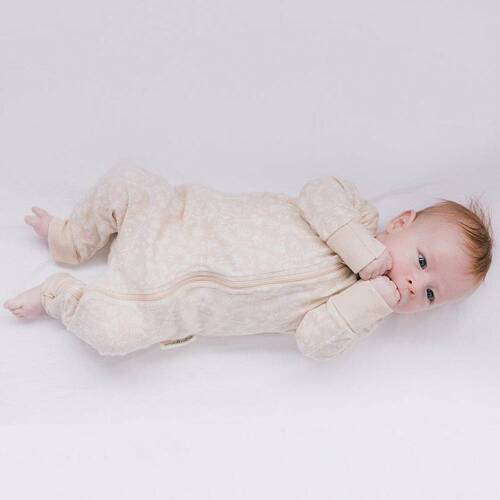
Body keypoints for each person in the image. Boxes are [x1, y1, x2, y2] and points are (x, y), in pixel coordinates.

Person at [3, 165, 494, 359]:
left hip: (163, 305)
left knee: (111, 337)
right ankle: (70, 238)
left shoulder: (353, 312)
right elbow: (316, 192)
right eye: (422, 261)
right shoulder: (355, 214)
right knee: (128, 182)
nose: (414, 284)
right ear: (402, 222)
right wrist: (363, 253)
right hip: (176, 221)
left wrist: (371, 298)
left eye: (430, 294)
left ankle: (57, 294)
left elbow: (313, 341)